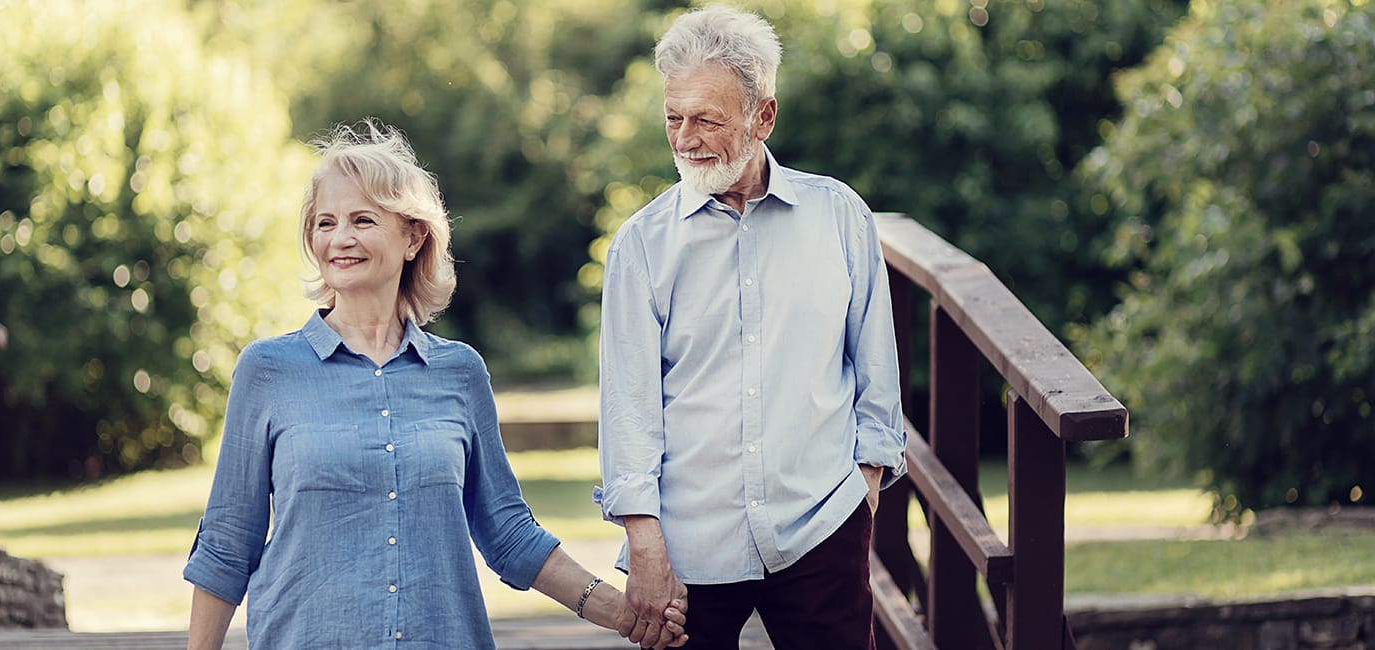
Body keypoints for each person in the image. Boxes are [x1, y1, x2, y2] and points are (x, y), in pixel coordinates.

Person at [183, 120, 687, 650]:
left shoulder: (459, 373)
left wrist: (625, 613)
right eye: (325, 223)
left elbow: (509, 533)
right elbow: (225, 545)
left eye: (362, 219)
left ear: (413, 236)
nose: (340, 239)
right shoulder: (268, 371)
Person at [595, 5, 908, 649]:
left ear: (764, 116)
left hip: (821, 524)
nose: (685, 137)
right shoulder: (641, 245)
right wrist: (644, 542)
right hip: (688, 545)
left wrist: (865, 489)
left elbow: (877, 370)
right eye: (673, 117)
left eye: (707, 118)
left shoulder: (839, 215)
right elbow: (628, 406)